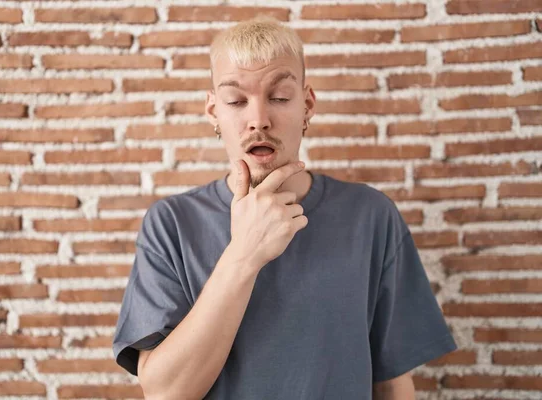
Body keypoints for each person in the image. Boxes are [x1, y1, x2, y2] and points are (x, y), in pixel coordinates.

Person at [113, 16, 457, 399]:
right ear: (214, 112)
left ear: (307, 105)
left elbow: (392, 381)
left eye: (279, 97)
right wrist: (244, 254)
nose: (259, 120)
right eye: (236, 101)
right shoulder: (172, 224)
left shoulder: (371, 216)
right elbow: (164, 393)